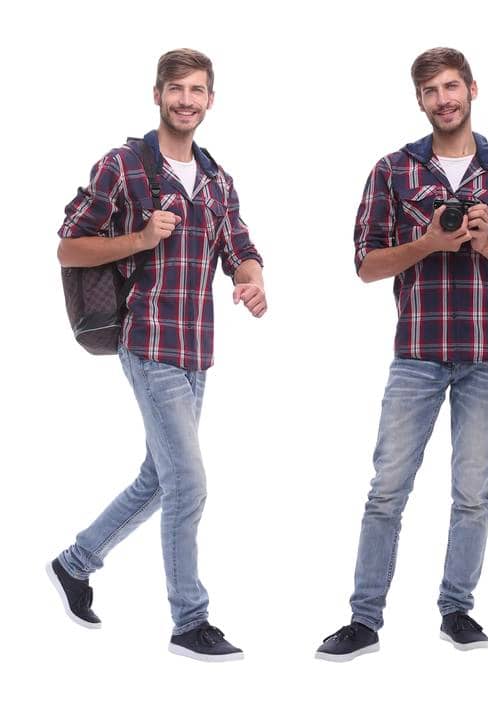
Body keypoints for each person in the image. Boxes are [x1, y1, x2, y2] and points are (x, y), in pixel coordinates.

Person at [315, 47, 488, 662]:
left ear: (472, 88)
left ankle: (457, 609)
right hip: (417, 353)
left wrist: (486, 242)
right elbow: (366, 266)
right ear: (419, 101)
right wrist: (426, 242)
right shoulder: (393, 172)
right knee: (387, 490)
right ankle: (364, 620)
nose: (444, 99)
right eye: (431, 91)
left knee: (472, 492)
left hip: (486, 355)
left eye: (452, 86)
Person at [48, 48, 266, 663]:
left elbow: (241, 248)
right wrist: (140, 238)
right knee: (188, 483)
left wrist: (251, 280)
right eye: (177, 89)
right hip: (146, 341)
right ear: (157, 94)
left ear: (210, 100)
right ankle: (189, 620)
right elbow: (68, 250)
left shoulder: (219, 181)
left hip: (197, 348)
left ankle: (75, 563)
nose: (187, 100)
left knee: (160, 476)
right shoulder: (125, 167)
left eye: (198, 90)